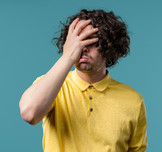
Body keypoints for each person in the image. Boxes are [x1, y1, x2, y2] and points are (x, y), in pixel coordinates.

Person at [19, 9, 148, 152]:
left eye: (92, 41)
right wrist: (68, 56)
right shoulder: (51, 85)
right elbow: (29, 114)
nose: (83, 48)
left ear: (110, 47)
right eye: (78, 41)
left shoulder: (133, 100)